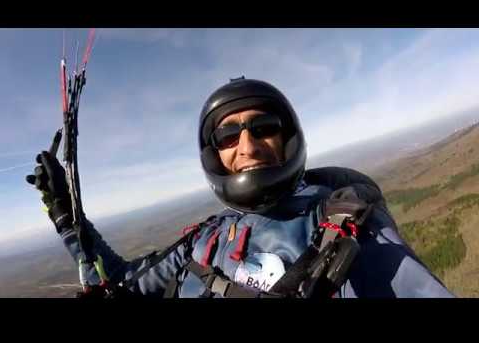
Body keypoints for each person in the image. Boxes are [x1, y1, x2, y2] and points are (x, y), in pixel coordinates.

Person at [27, 77, 455, 298]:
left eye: (263, 128)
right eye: (227, 137)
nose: (246, 146)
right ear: (213, 154)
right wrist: (66, 216)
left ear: (287, 138)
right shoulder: (203, 238)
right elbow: (122, 284)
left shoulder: (344, 229)